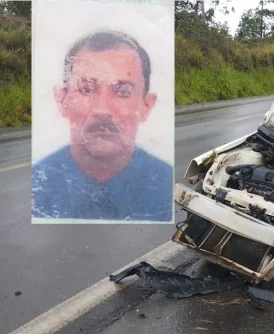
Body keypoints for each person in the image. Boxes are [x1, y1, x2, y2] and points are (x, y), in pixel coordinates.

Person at [32, 31, 172, 221]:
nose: (102, 109)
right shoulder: (36, 187)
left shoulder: (168, 189)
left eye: (123, 91)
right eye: (86, 89)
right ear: (62, 99)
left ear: (146, 105)